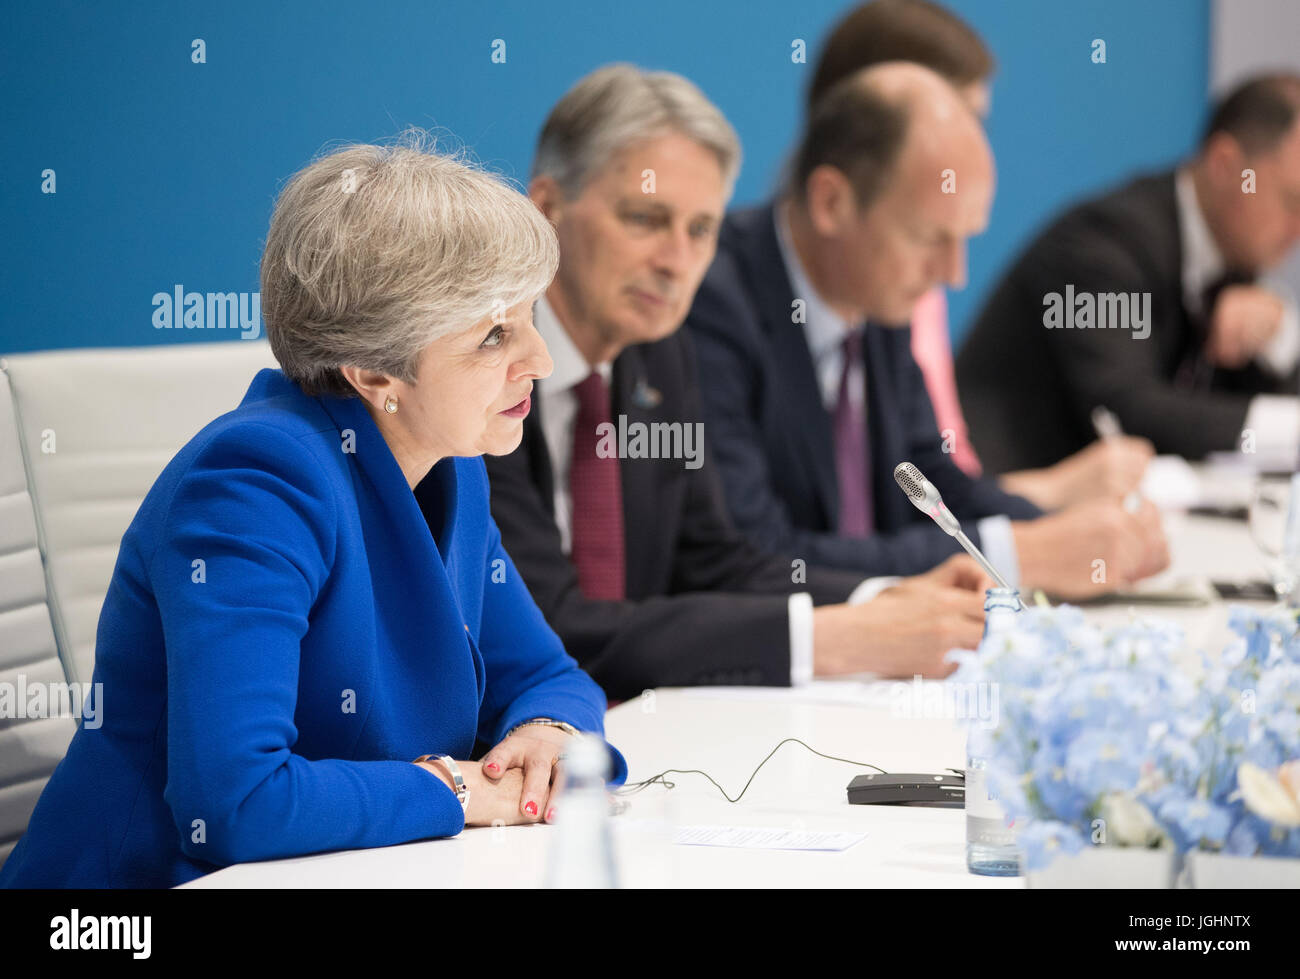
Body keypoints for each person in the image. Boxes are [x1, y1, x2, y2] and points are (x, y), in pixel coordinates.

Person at [0, 138, 623, 889]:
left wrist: (545, 735)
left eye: (528, 318)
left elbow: (550, 673)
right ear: (373, 371)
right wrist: (458, 789)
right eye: (495, 334)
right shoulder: (256, 483)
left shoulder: (451, 463)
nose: (542, 360)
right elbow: (238, 801)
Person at [470, 64, 995, 703]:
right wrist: (835, 639)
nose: (675, 262)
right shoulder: (481, 365)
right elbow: (551, 627)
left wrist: (883, 599)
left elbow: (715, 561)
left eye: (700, 230)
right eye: (644, 219)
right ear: (547, 209)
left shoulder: (659, 355)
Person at [685, 62, 1169, 599]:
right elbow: (757, 552)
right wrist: (1017, 553)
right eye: (928, 238)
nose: (953, 275)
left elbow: (929, 480)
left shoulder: (874, 293)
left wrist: (1076, 533)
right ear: (831, 203)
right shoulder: (714, 301)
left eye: (965, 240)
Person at [808, 0, 1153, 510]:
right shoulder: (863, 280)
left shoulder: (909, 278)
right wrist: (1055, 498)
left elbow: (938, 485)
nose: (954, 273)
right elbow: (796, 542)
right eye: (952, 116)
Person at [957, 73, 1300, 473]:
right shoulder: (1103, 245)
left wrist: (1281, 339)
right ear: (1225, 165)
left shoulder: (1237, 260)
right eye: (1293, 201)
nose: (1298, 229)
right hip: (996, 503)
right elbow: (1127, 409)